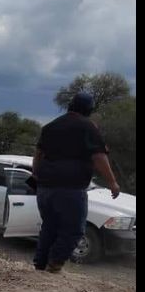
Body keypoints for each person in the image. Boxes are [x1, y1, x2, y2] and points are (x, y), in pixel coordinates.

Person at [31, 92, 120, 273]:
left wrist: (37, 175)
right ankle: (54, 264)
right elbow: (99, 157)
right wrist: (112, 183)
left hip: (45, 188)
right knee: (74, 230)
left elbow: (38, 155)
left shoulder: (50, 127)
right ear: (89, 109)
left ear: (70, 106)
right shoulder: (88, 127)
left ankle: (40, 265)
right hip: (70, 188)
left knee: (49, 227)